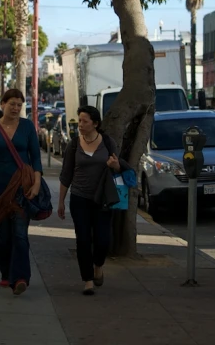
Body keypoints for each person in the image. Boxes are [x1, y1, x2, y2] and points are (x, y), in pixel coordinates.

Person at [57, 105, 130, 295]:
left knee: (102, 239)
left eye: (84, 121)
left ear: (95, 123)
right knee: (82, 239)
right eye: (79, 120)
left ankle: (98, 265)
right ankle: (88, 280)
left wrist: (115, 166)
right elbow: (66, 175)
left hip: (103, 199)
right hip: (79, 197)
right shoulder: (73, 145)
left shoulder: (108, 142)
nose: (80, 124)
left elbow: (118, 167)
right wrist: (60, 202)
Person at [0, 89, 43, 295]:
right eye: (12, 104)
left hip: (22, 188)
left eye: (19, 105)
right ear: (3, 104)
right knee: (5, 235)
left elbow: (36, 157)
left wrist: (37, 183)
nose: (16, 108)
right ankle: (6, 273)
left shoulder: (27, 127)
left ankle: (21, 278)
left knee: (20, 233)